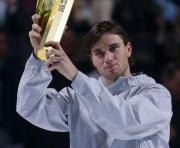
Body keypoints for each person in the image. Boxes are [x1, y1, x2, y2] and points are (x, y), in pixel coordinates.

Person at [16, 14, 172, 148]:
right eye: (99, 53)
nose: (108, 57)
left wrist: (75, 75)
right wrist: (39, 56)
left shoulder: (157, 95)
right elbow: (28, 106)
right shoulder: (77, 98)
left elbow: (122, 123)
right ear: (92, 60)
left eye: (113, 48)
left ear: (128, 49)